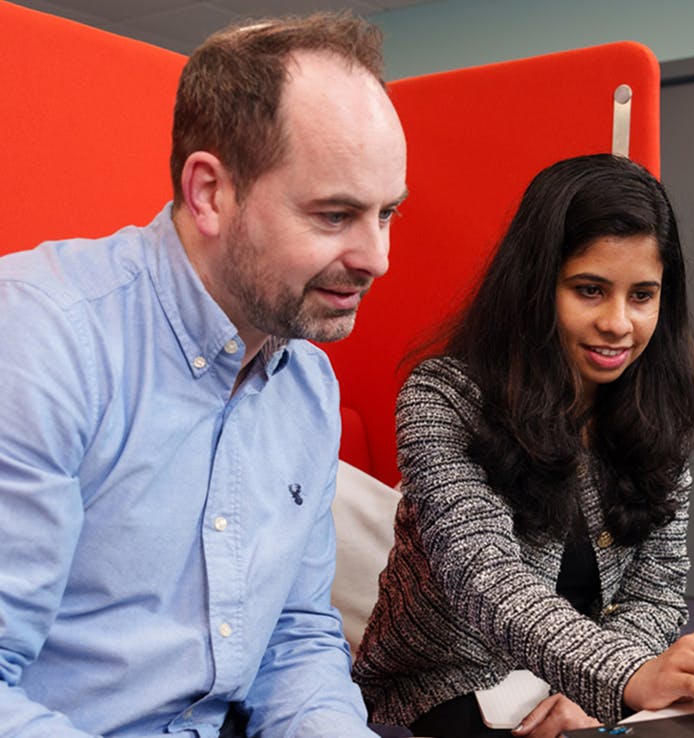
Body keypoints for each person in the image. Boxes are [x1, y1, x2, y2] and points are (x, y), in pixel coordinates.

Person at [0, 12, 407, 738]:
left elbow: (296, 641)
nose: (377, 257)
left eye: (387, 214)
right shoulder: (43, 341)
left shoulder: (307, 385)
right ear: (209, 192)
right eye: (336, 214)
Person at [352, 154, 694, 738]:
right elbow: (483, 576)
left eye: (642, 296)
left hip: (590, 672)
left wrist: (597, 693)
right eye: (589, 290)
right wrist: (624, 676)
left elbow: (656, 591)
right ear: (535, 286)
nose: (618, 323)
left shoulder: (659, 411)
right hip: (452, 676)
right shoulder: (443, 396)